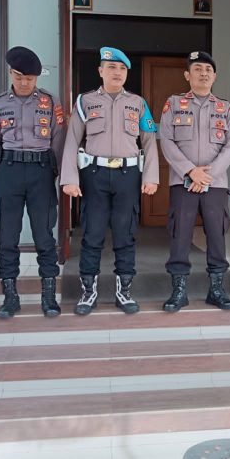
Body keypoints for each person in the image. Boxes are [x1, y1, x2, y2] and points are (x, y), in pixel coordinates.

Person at [61, 46, 159, 315]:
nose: (117, 72)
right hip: (95, 175)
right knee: (92, 234)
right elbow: (72, 141)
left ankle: (124, 291)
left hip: (128, 175)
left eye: (122, 68)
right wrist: (70, 178)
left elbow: (149, 142)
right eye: (112, 67)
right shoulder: (85, 101)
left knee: (125, 234)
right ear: (100, 71)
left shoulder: (138, 103)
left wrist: (151, 177)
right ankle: (88, 292)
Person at [0, 46, 66, 319]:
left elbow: (58, 139)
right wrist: (4, 168)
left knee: (44, 235)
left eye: (30, 79)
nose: (24, 83)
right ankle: (10, 297)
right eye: (19, 77)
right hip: (8, 172)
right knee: (7, 237)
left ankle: (48, 296)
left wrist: (52, 171)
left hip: (41, 172)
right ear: (11, 73)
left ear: (36, 78)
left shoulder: (50, 101)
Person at [159, 51, 230, 312]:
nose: (203, 73)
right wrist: (191, 172)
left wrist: (207, 175)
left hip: (215, 184)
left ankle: (217, 290)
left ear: (214, 76)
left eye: (208, 70)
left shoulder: (225, 108)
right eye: (197, 69)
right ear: (187, 75)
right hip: (183, 182)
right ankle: (178, 291)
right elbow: (166, 140)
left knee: (216, 234)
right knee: (180, 234)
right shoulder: (174, 103)